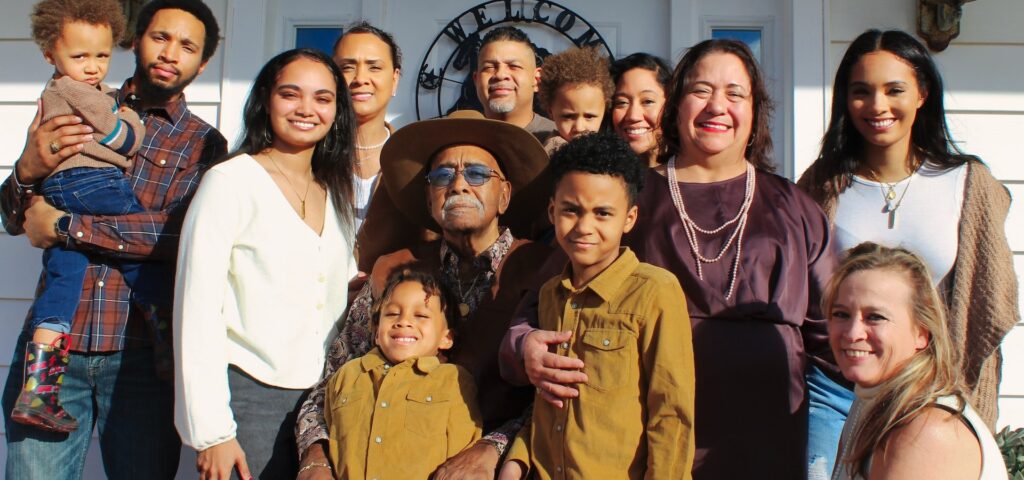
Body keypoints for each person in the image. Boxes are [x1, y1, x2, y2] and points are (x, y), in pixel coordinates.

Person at [502, 39, 837, 479]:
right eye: (701, 91)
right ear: (676, 105)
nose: (717, 106)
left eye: (735, 94)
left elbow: (832, 343)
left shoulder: (794, 207)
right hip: (639, 455)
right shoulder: (626, 198)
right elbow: (538, 310)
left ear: (755, 111)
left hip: (770, 447)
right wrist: (525, 347)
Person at [2, 0, 227, 480]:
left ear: (203, 63)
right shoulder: (71, 99)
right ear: (136, 42)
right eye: (160, 37)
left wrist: (65, 227)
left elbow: (175, 236)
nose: (170, 53)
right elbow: (14, 217)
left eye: (187, 46)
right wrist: (26, 168)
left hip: (142, 358)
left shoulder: (203, 143)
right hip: (54, 353)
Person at [798, 29, 1018, 477]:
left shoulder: (968, 184)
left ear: (922, 94)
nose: (877, 106)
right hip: (838, 390)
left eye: (893, 89)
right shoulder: (822, 185)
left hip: (930, 387)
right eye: (861, 92)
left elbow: (991, 304)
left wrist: (952, 389)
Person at [295, 109, 553, 480]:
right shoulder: (393, 270)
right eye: (443, 175)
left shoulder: (543, 270)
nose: (459, 185)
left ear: (505, 195)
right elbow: (332, 382)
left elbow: (555, 394)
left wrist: (492, 448)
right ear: (430, 198)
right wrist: (315, 457)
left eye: (477, 174)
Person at [174, 48, 358, 480]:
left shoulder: (333, 190)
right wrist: (213, 432)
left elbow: (338, 288)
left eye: (323, 98)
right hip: (250, 396)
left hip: (325, 400)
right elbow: (195, 309)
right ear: (266, 100)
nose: (307, 109)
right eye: (290, 94)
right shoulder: (230, 182)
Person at [499, 132, 695, 480]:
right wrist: (518, 459)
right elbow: (547, 406)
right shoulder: (549, 294)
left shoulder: (655, 292)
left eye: (603, 213)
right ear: (552, 211)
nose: (584, 227)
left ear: (630, 218)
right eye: (571, 210)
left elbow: (671, 414)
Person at [10, 0, 147, 433]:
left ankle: (37, 391)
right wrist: (129, 122)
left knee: (63, 281)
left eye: (102, 57)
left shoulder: (67, 89)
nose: (92, 67)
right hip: (86, 182)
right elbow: (120, 140)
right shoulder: (81, 92)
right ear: (52, 54)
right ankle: (160, 321)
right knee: (136, 230)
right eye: (81, 56)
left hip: (61, 192)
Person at [826, 242, 1008, 480]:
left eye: (875, 317)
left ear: (922, 333)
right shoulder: (871, 404)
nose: (852, 333)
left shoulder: (924, 430)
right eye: (841, 314)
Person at [324, 267, 482, 479]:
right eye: (392, 313)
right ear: (377, 333)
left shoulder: (454, 381)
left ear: (447, 338)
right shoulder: (347, 375)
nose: (403, 321)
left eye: (421, 315)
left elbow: (463, 455)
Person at [332, 21, 401, 231]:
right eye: (347, 67)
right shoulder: (312, 154)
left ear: (394, 79)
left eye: (374, 67)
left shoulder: (413, 160)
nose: (360, 78)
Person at [474, 26, 556, 144]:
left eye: (514, 66)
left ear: (537, 79)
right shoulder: (455, 138)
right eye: (489, 67)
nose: (500, 75)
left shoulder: (561, 140)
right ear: (476, 80)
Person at [536, 46, 613, 153]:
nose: (579, 127)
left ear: (604, 111)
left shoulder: (602, 146)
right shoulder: (556, 151)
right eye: (568, 116)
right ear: (550, 111)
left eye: (589, 116)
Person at [609, 52, 670, 167]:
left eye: (647, 101)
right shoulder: (597, 178)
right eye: (622, 102)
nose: (633, 116)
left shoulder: (691, 176)